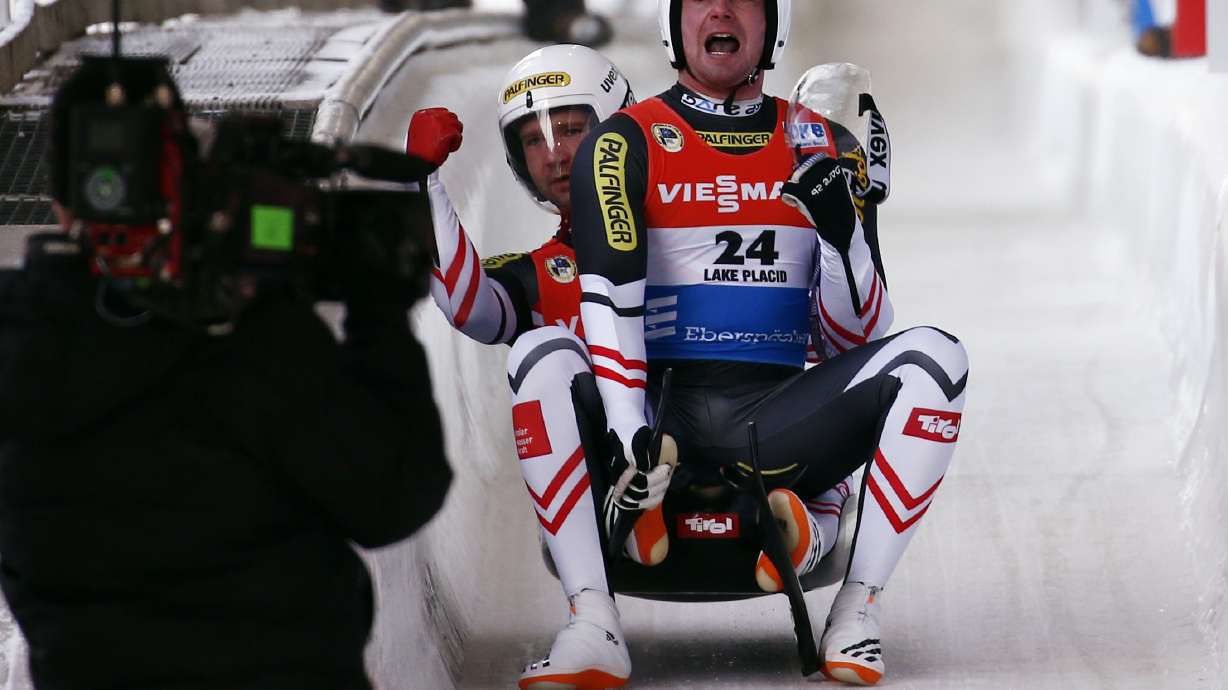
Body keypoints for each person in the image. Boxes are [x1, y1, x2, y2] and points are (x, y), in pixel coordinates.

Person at [0, 58, 452, 690]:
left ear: (59, 201)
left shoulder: (17, 342)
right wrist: (377, 319)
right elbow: (394, 497)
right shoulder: (253, 341)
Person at [568, 0, 970, 685]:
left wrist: (843, 239)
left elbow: (854, 336)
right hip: (658, 418)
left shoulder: (823, 142)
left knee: (937, 358)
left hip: (776, 419)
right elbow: (607, 295)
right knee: (539, 358)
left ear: (771, 25)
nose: (719, 10)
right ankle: (587, 619)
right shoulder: (621, 144)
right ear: (674, 24)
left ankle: (857, 613)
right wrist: (629, 423)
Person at [408, 45, 638, 689]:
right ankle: (596, 603)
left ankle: (807, 517)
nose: (558, 154)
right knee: (539, 351)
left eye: (571, 129)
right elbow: (470, 308)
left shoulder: (692, 225)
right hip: (620, 471)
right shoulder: (543, 270)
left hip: (737, 432)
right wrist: (424, 185)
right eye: (534, 140)